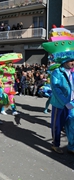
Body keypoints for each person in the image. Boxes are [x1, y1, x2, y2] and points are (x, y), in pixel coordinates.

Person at [42, 25, 74, 154]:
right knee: (57, 125)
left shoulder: (73, 72)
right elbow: (56, 88)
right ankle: (55, 144)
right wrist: (65, 102)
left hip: (72, 104)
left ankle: (71, 146)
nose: (73, 62)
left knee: (71, 125)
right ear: (65, 60)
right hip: (60, 104)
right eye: (71, 60)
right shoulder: (57, 72)